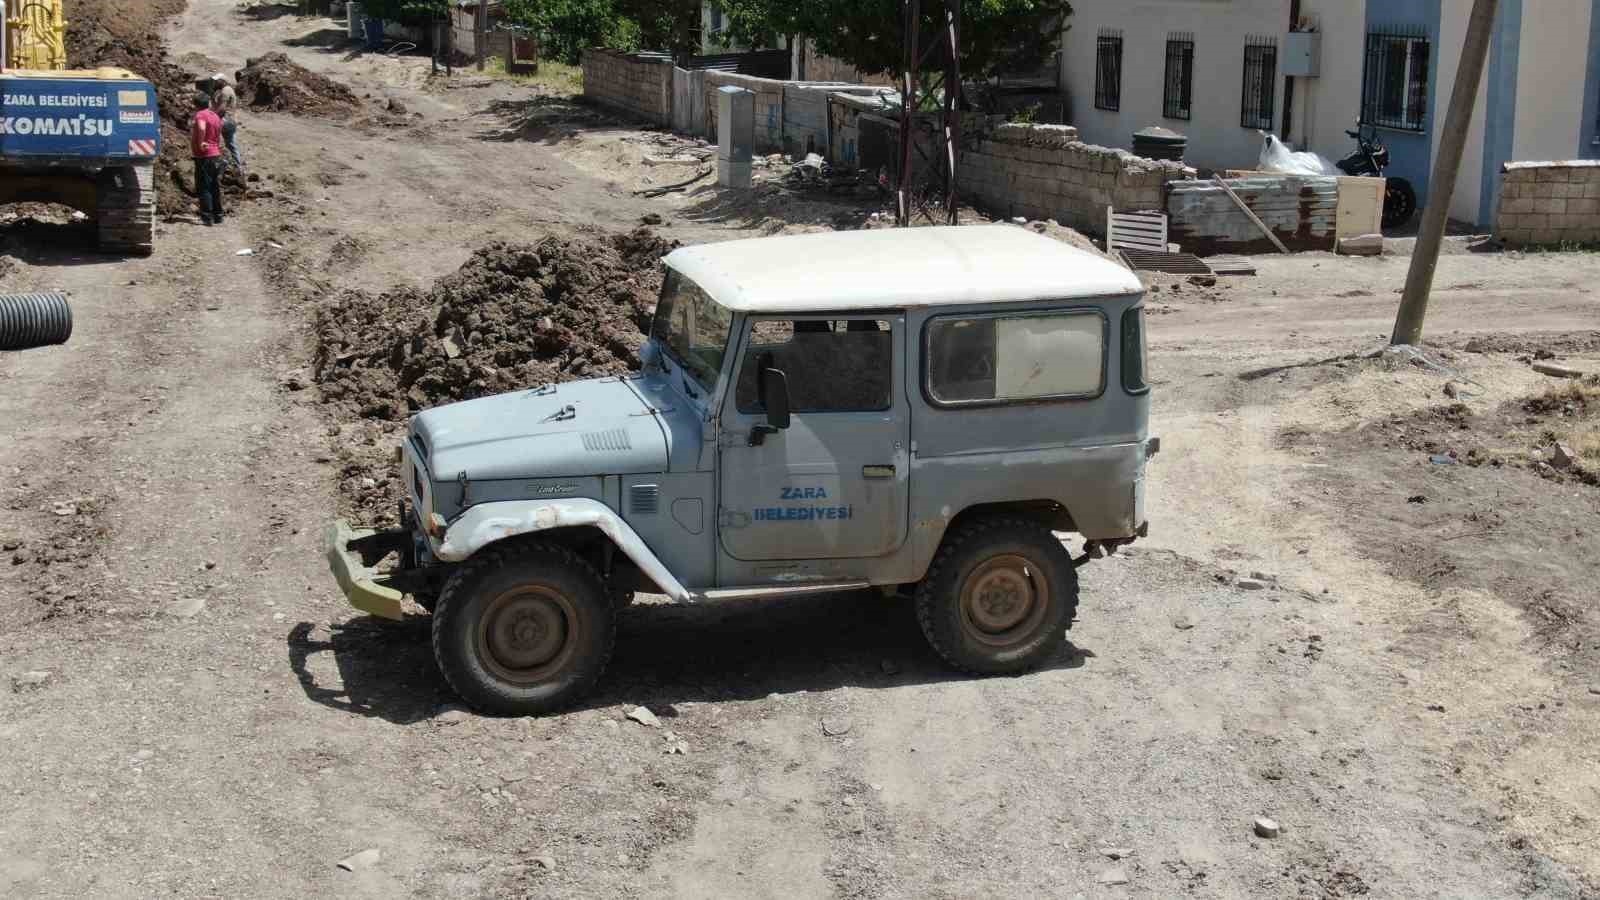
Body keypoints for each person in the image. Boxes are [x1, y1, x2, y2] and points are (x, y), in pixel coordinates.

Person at [190, 92, 225, 225]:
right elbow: (219, 133)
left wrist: (200, 143)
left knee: (203, 186)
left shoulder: (201, 115)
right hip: (215, 154)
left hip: (204, 155)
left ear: (196, 105)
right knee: (214, 186)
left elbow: (201, 126)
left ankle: (207, 217)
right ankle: (218, 215)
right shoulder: (215, 116)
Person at [209, 73, 243, 174]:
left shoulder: (225, 91)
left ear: (222, 81)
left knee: (213, 141)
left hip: (226, 120)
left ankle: (220, 164)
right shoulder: (227, 89)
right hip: (232, 120)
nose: (214, 82)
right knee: (231, 144)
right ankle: (237, 166)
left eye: (217, 81)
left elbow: (222, 108)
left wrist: (212, 118)